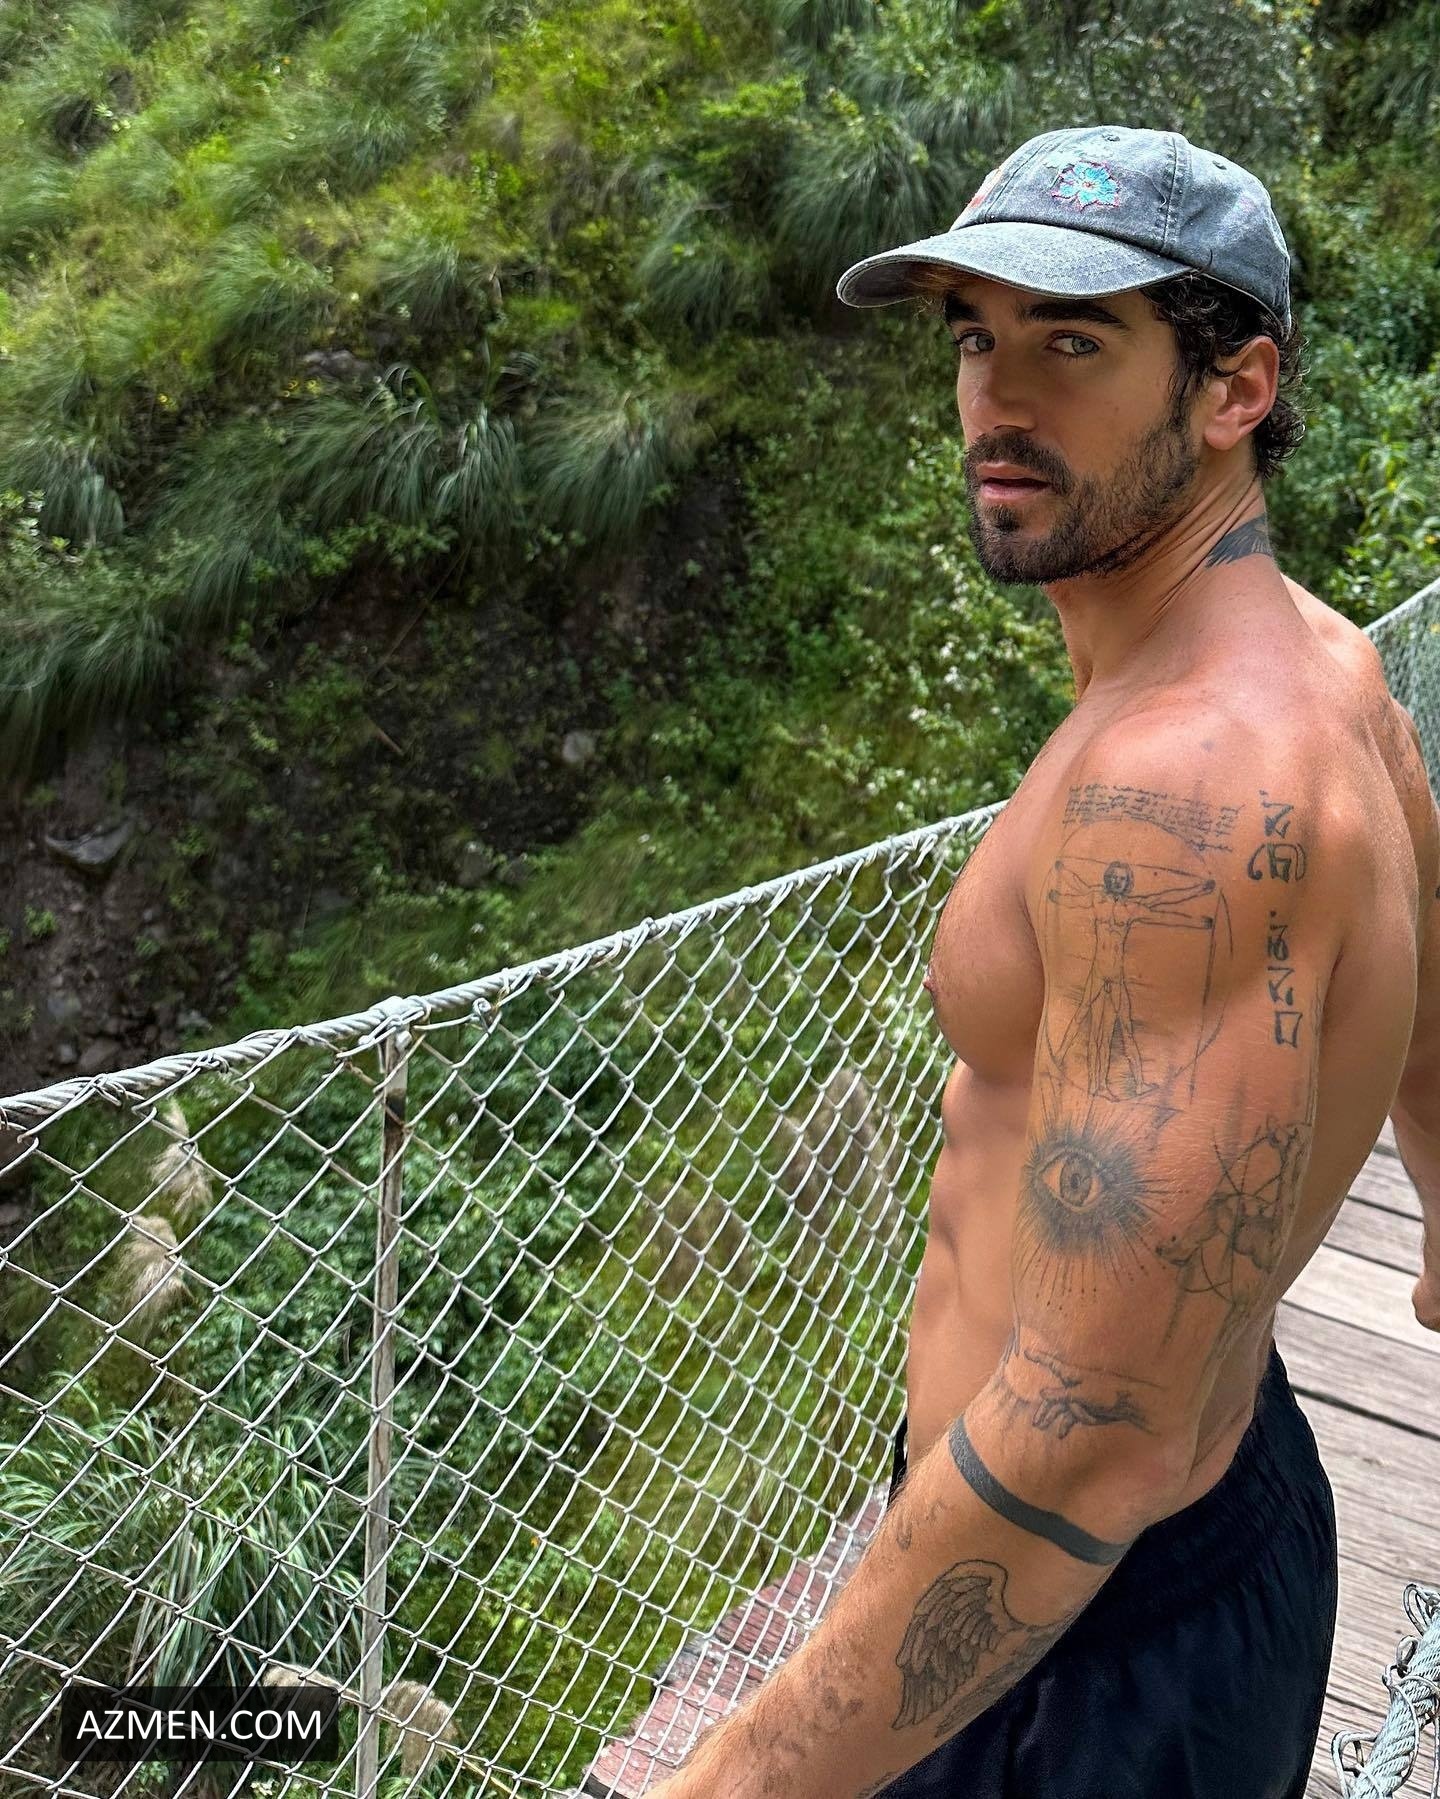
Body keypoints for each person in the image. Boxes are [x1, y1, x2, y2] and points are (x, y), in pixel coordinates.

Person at [643, 123, 1440, 1798]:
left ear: (1235, 388)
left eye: (1072, 344)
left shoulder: (1193, 785)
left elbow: (1095, 1443)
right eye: (973, 337)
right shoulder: (1321, 664)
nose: (997, 401)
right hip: (1176, 1528)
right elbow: (1431, 983)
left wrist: (729, 1781)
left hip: (1074, 1633)